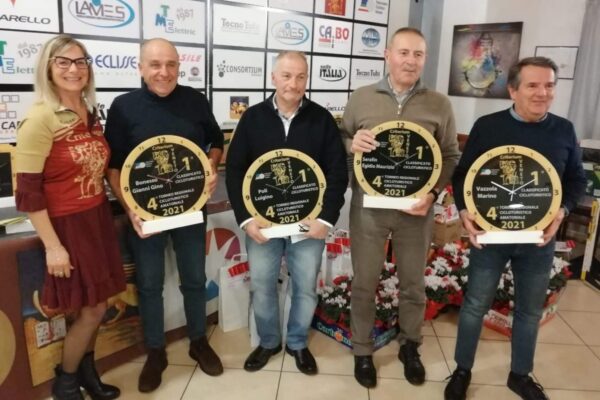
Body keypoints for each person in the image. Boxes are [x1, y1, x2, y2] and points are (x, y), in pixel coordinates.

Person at [445, 57, 586, 400]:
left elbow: (576, 180)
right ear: (513, 90)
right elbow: (464, 175)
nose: (542, 93)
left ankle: (520, 375)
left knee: (529, 311)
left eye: (549, 85)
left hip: (538, 240)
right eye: (533, 85)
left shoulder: (564, 130)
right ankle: (462, 370)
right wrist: (463, 210)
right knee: (475, 305)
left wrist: (562, 212)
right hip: (490, 236)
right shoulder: (488, 126)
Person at [341, 27, 460, 388]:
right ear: (387, 55)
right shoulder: (361, 97)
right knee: (365, 282)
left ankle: (410, 346)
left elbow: (450, 154)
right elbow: (342, 139)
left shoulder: (439, 104)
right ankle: (362, 350)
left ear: (425, 59)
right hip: (369, 208)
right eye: (404, 52)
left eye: (418, 54)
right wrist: (351, 144)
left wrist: (433, 194)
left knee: (412, 284)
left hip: (416, 211)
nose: (410, 61)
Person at [104, 38, 224, 393]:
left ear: (179, 67)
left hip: (190, 209)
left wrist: (211, 166)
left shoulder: (195, 100)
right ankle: (156, 351)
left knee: (194, 279)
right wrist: (130, 208)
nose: (164, 72)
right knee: (149, 285)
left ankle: (198, 341)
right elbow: (113, 167)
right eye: (155, 64)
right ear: (140, 67)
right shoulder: (123, 107)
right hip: (145, 215)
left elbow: (216, 142)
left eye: (171, 64)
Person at [15, 34, 124, 400]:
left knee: (97, 305)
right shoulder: (39, 119)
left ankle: (86, 374)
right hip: (66, 226)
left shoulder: (89, 113)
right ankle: (66, 382)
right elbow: (28, 193)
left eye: (80, 61)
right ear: (48, 68)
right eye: (63, 62)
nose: (73, 69)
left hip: (96, 219)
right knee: (92, 309)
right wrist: (53, 247)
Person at [226, 51, 348, 375]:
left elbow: (338, 173)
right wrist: (246, 219)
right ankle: (269, 342)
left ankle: (297, 343)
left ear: (307, 79)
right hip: (262, 225)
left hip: (308, 225)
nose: (293, 83)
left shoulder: (322, 119)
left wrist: (325, 220)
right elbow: (235, 171)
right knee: (262, 285)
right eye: (286, 75)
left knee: (305, 287)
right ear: (273, 77)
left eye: (300, 77)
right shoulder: (252, 118)